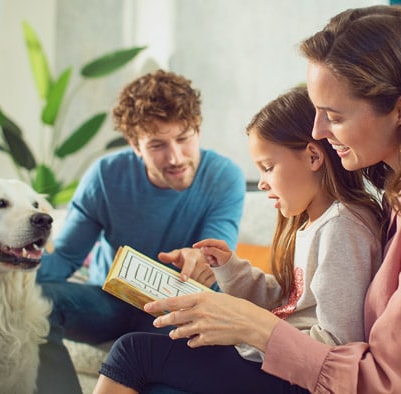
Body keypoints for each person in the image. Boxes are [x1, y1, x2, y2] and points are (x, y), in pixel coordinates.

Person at [117, 5, 401, 394]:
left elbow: (397, 385)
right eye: (316, 112)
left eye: (335, 115)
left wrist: (254, 326)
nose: (317, 130)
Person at [92, 86, 385, 393]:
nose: (261, 183)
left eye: (268, 168)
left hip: (295, 378)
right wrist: (231, 269)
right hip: (277, 362)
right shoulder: (315, 224)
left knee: (133, 352)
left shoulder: (341, 228)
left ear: (313, 156)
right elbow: (292, 302)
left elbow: (339, 346)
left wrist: (249, 331)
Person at [35, 69, 246, 393]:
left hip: (177, 309)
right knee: (28, 302)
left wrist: (203, 258)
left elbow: (216, 252)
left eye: (183, 138)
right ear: (135, 145)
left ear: (198, 129)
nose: (175, 157)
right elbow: (65, 257)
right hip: (108, 303)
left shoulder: (224, 177)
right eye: (158, 144)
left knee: (162, 380)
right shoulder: (106, 176)